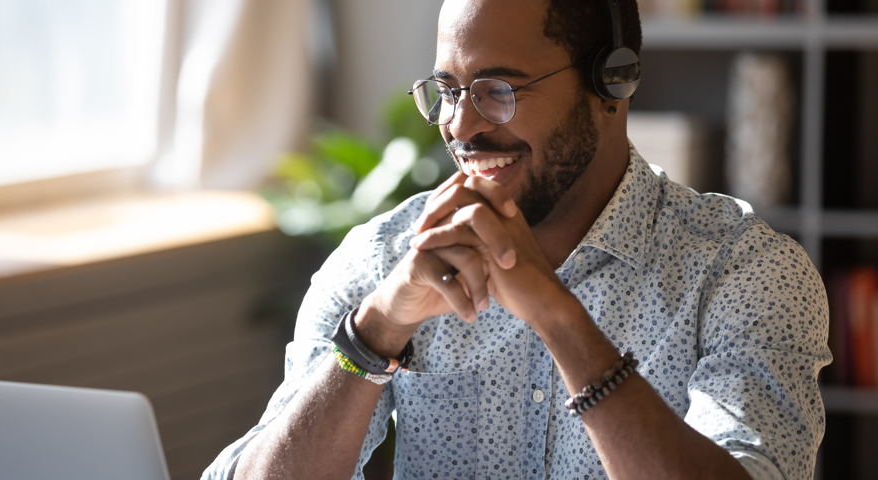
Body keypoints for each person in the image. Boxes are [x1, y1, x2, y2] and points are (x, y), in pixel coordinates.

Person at [204, 0, 831, 479]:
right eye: (448, 91)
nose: (460, 125)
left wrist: (559, 318)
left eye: (498, 91)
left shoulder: (746, 274)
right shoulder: (385, 258)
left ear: (612, 83)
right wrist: (373, 334)